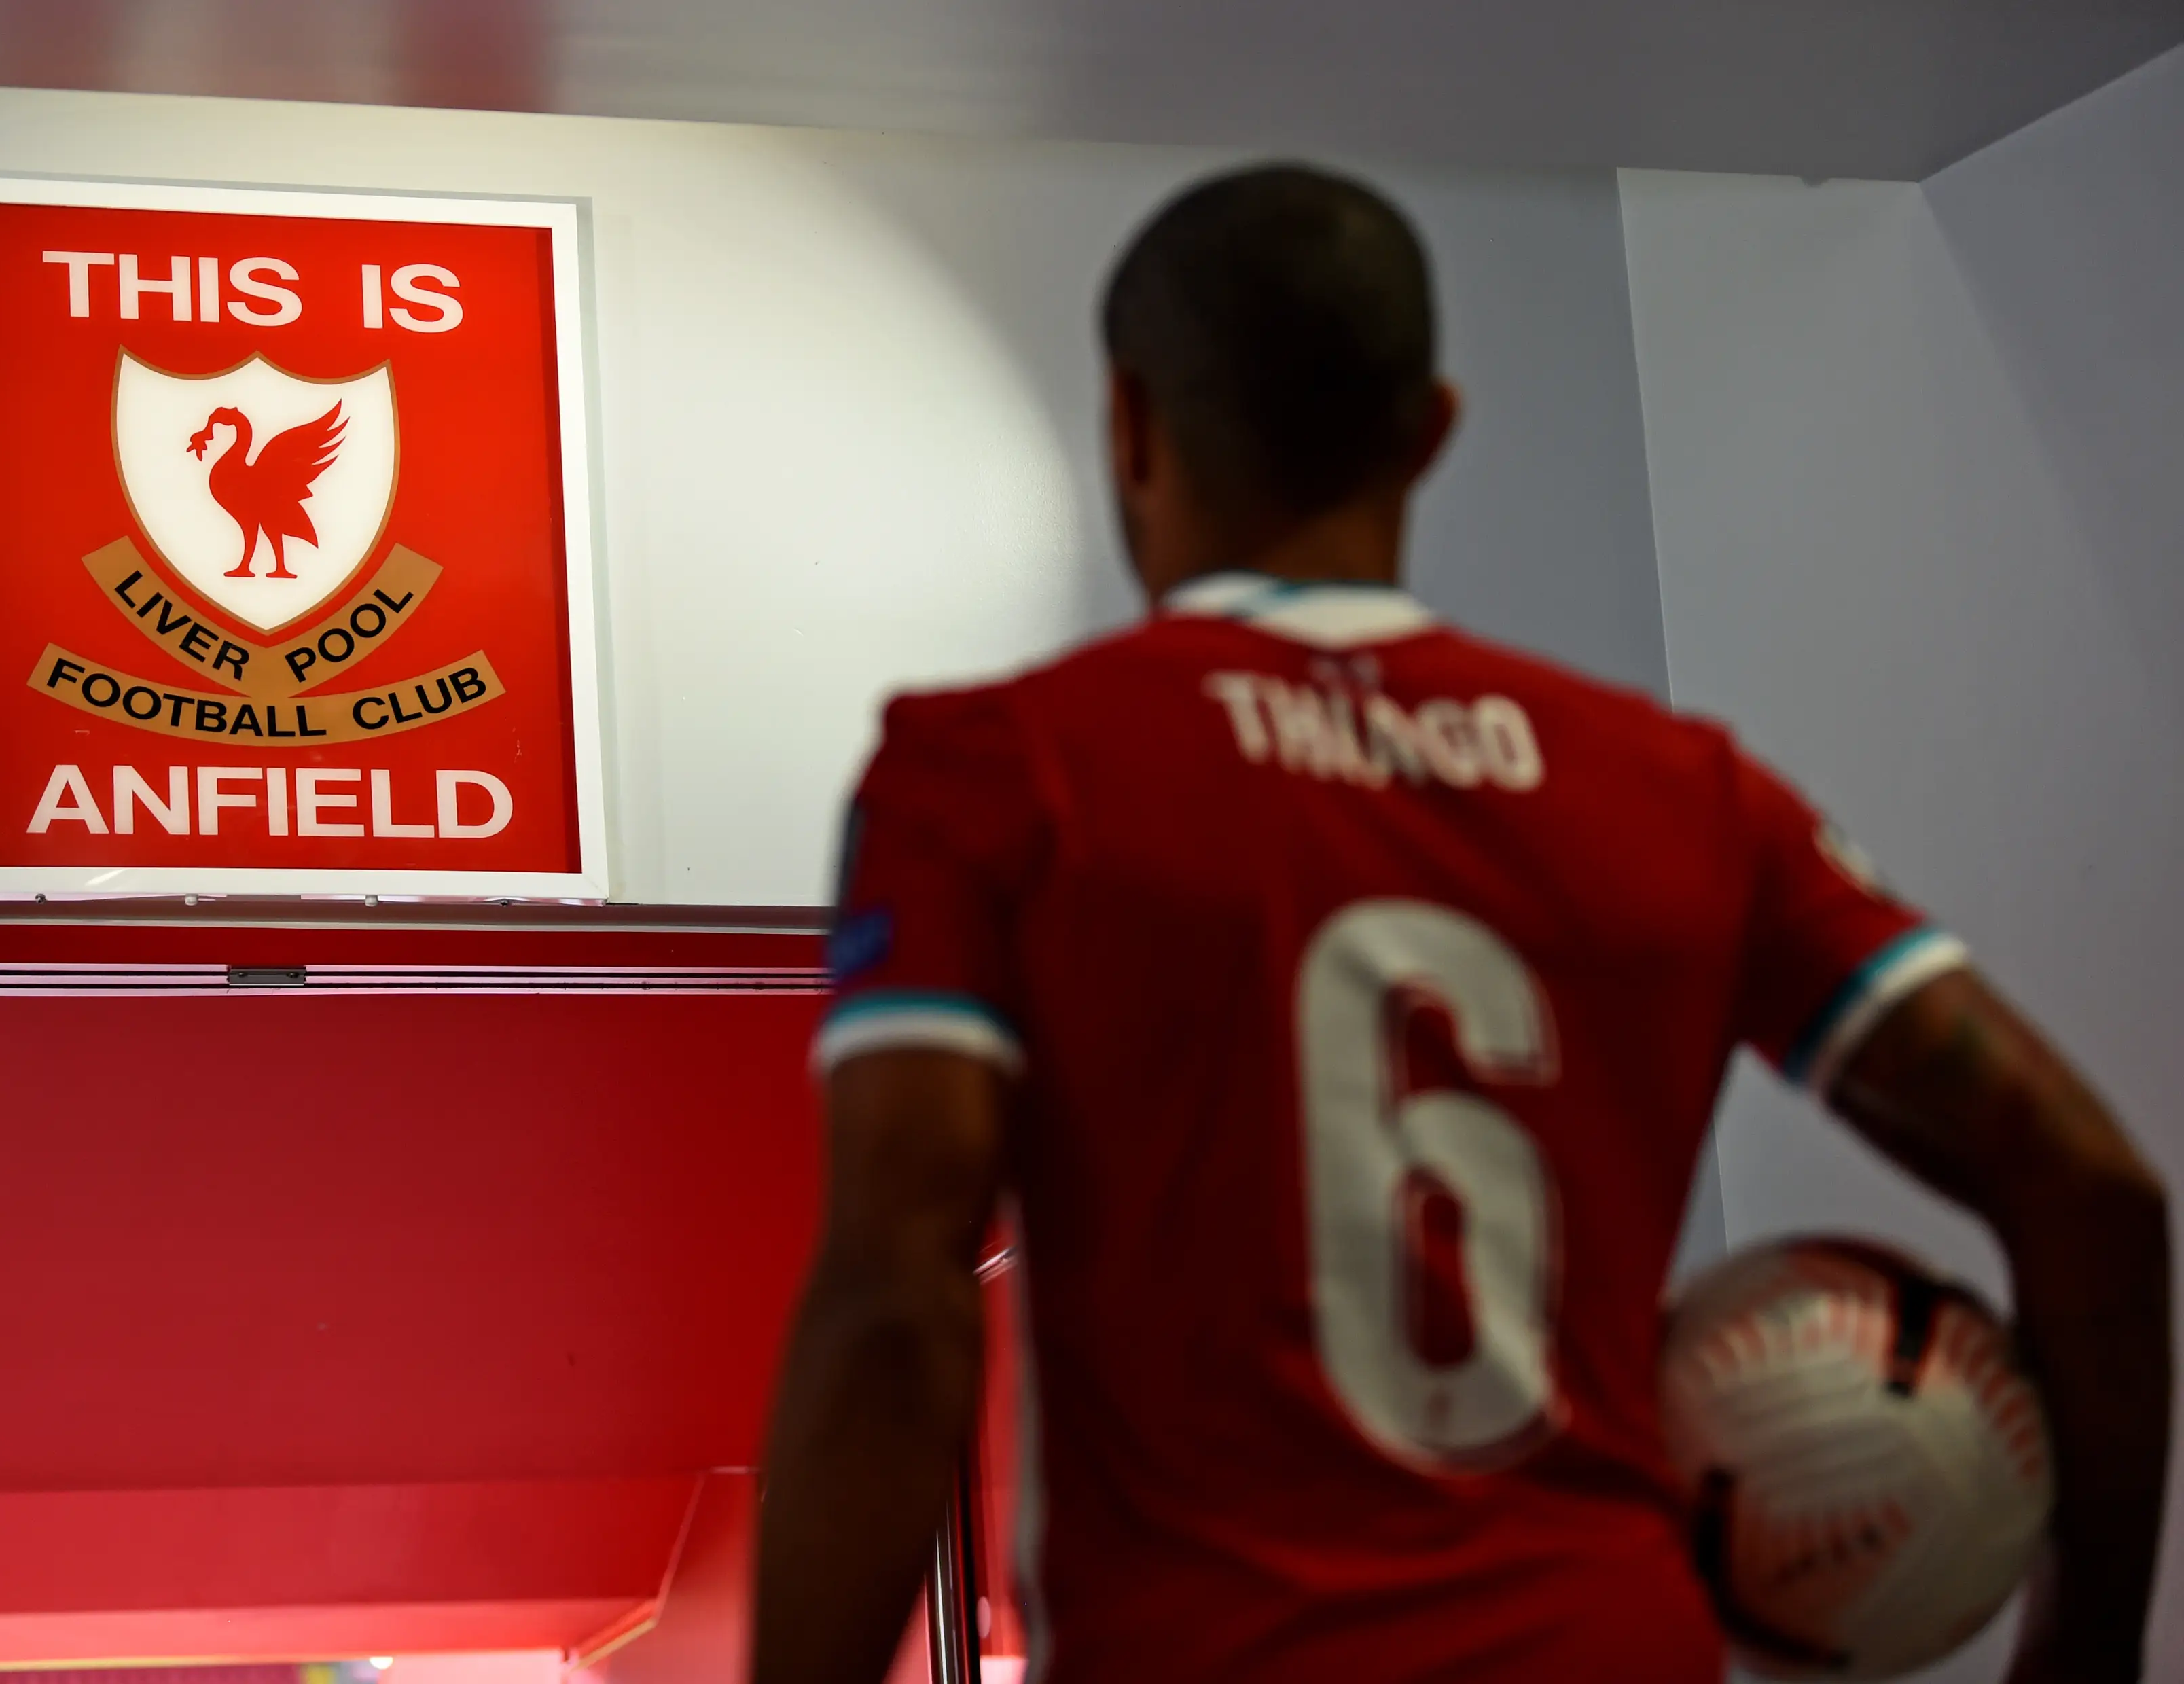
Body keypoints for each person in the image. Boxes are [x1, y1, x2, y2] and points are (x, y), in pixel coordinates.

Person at [749, 164, 2171, 1683]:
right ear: (1430, 433)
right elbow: (2090, 1189)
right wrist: (2081, 1651)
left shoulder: (990, 775)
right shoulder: (1686, 794)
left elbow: (898, 1308)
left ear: (1128, 426)